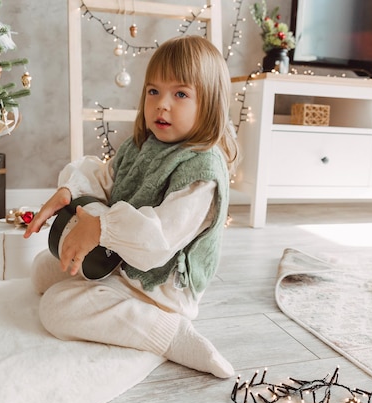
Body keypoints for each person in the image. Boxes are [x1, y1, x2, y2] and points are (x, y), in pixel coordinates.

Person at [24, 35, 239, 378]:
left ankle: (169, 334)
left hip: (159, 283)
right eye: (154, 91)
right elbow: (104, 178)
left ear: (209, 104)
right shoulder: (141, 145)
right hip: (122, 258)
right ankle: (105, 288)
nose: (162, 104)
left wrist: (101, 228)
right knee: (41, 270)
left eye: (180, 94)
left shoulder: (202, 172)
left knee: (54, 308)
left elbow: (157, 241)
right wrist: (70, 189)